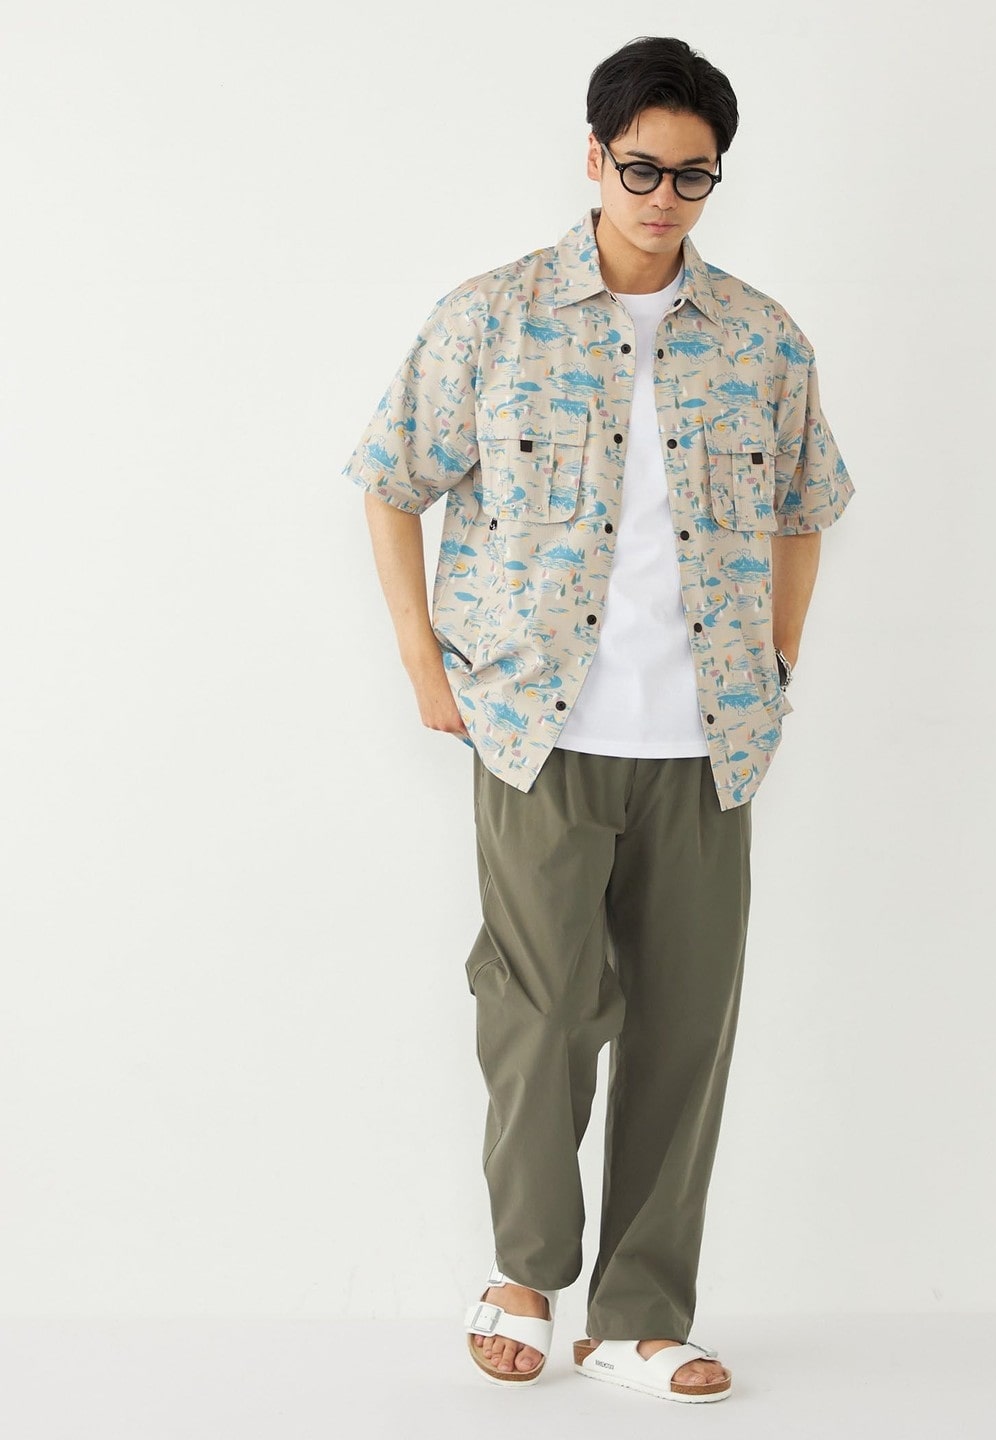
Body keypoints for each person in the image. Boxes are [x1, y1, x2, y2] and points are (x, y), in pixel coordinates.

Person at [342, 34, 855, 1405]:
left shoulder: (761, 337)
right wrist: (421, 660)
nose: (664, 196)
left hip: (708, 746)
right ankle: (525, 1273)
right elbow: (391, 479)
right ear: (593, 156)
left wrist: (778, 656)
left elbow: (806, 507)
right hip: (538, 734)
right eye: (641, 167)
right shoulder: (493, 317)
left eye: (693, 175)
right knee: (545, 1012)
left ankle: (638, 1316)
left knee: (685, 1029)